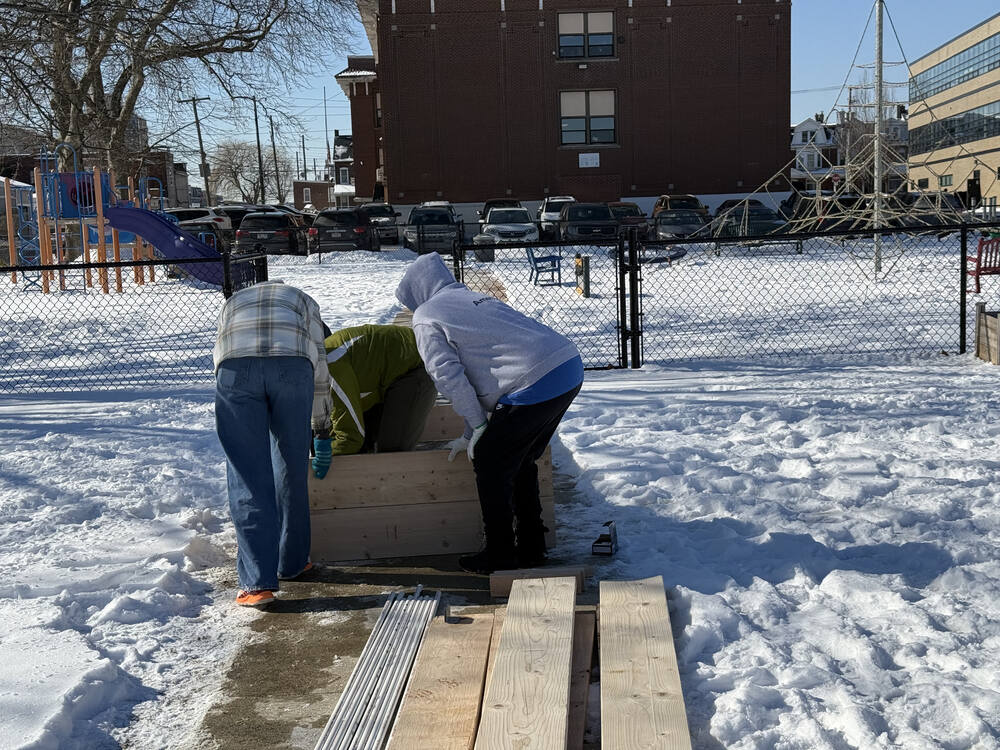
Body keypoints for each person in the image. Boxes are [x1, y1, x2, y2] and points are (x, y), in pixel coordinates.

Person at [395, 253, 583, 574]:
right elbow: (486, 366)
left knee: (490, 462)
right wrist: (471, 431)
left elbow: (448, 376)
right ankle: (532, 546)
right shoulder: (471, 297)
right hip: (566, 367)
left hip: (534, 380)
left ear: (416, 292)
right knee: (520, 458)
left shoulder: (426, 316)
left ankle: (499, 553)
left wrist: (478, 427)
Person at [213, 280, 332, 607]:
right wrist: (322, 430)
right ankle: (293, 563)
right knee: (290, 467)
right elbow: (320, 366)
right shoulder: (304, 302)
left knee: (248, 475)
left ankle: (257, 584)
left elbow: (223, 349)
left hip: (235, 369)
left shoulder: (234, 301)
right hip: (293, 367)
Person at [324, 324, 437, 455]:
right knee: (365, 439)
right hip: (386, 375)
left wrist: (323, 454)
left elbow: (350, 438)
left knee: (392, 452)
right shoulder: (316, 370)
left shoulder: (330, 371)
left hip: (416, 366)